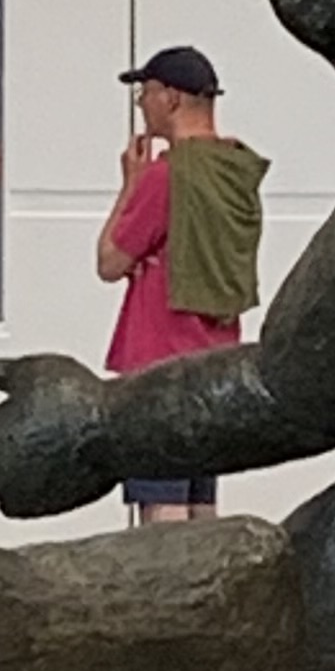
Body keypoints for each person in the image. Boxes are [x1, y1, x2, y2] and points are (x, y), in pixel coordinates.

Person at [94, 46, 268, 523]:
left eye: (145, 93)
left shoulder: (166, 176)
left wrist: (131, 184)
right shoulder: (237, 171)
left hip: (158, 367)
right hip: (216, 364)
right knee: (202, 511)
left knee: (163, 516)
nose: (141, 104)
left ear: (170, 98)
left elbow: (109, 261)